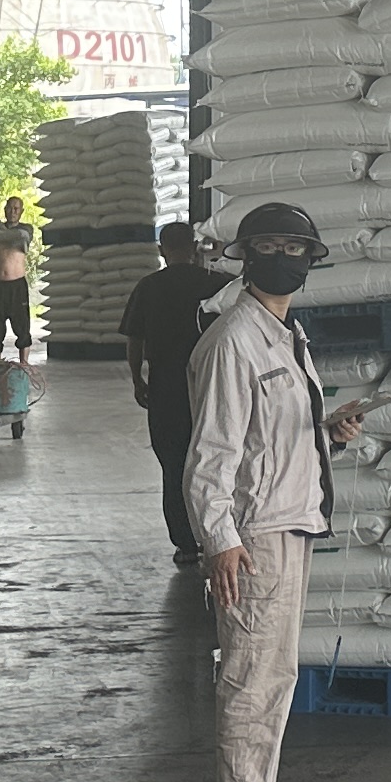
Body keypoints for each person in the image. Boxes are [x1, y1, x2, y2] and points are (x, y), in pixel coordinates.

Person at [185, 201, 370, 782]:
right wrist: (219, 541)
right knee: (252, 679)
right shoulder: (233, 340)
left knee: (274, 676)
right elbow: (211, 455)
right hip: (252, 539)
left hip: (287, 522)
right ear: (246, 256)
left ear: (311, 259)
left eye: (296, 249)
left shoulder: (287, 335)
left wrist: (327, 436)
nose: (284, 259)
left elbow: (267, 442)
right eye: (269, 247)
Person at [119, 218, 232, 572]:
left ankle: (185, 544)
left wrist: (137, 379)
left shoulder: (149, 287)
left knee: (173, 465)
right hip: (212, 386)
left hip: (166, 387)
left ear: (161, 250)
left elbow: (135, 339)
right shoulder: (217, 284)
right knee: (217, 460)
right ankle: (218, 538)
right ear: (194, 248)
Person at [0, 192, 34, 362]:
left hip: (17, 286)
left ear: (22, 211)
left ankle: (24, 365)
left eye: (16, 209)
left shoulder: (26, 229)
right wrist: (5, 233)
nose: (13, 211)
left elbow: (22, 237)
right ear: (5, 209)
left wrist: (2, 230)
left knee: (22, 327)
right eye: (10, 208)